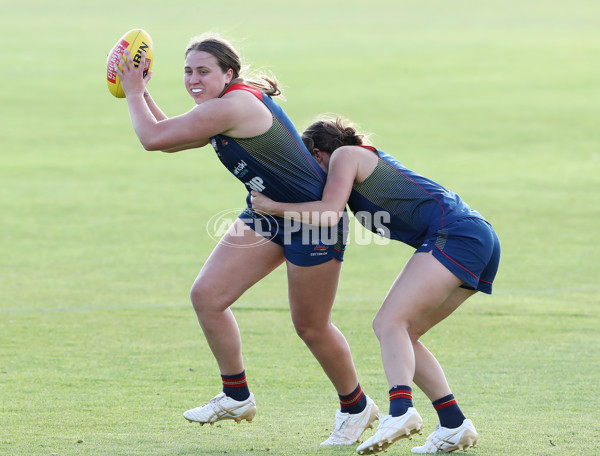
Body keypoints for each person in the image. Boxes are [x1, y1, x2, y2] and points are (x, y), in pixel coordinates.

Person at [113, 34, 379, 445]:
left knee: (310, 326)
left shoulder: (234, 106)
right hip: (268, 212)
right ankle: (236, 396)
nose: (193, 79)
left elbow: (153, 139)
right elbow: (169, 138)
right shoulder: (221, 107)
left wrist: (133, 91)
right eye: (187, 71)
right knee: (208, 296)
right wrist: (142, 92)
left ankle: (357, 407)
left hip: (311, 220)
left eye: (204, 71)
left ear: (229, 74)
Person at [250, 116, 501, 454]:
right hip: (473, 237)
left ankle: (400, 411)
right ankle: (454, 423)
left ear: (319, 154)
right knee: (404, 333)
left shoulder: (345, 156)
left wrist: (272, 206)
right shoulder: (354, 164)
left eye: (309, 162)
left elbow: (328, 212)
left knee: (388, 323)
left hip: (457, 235)